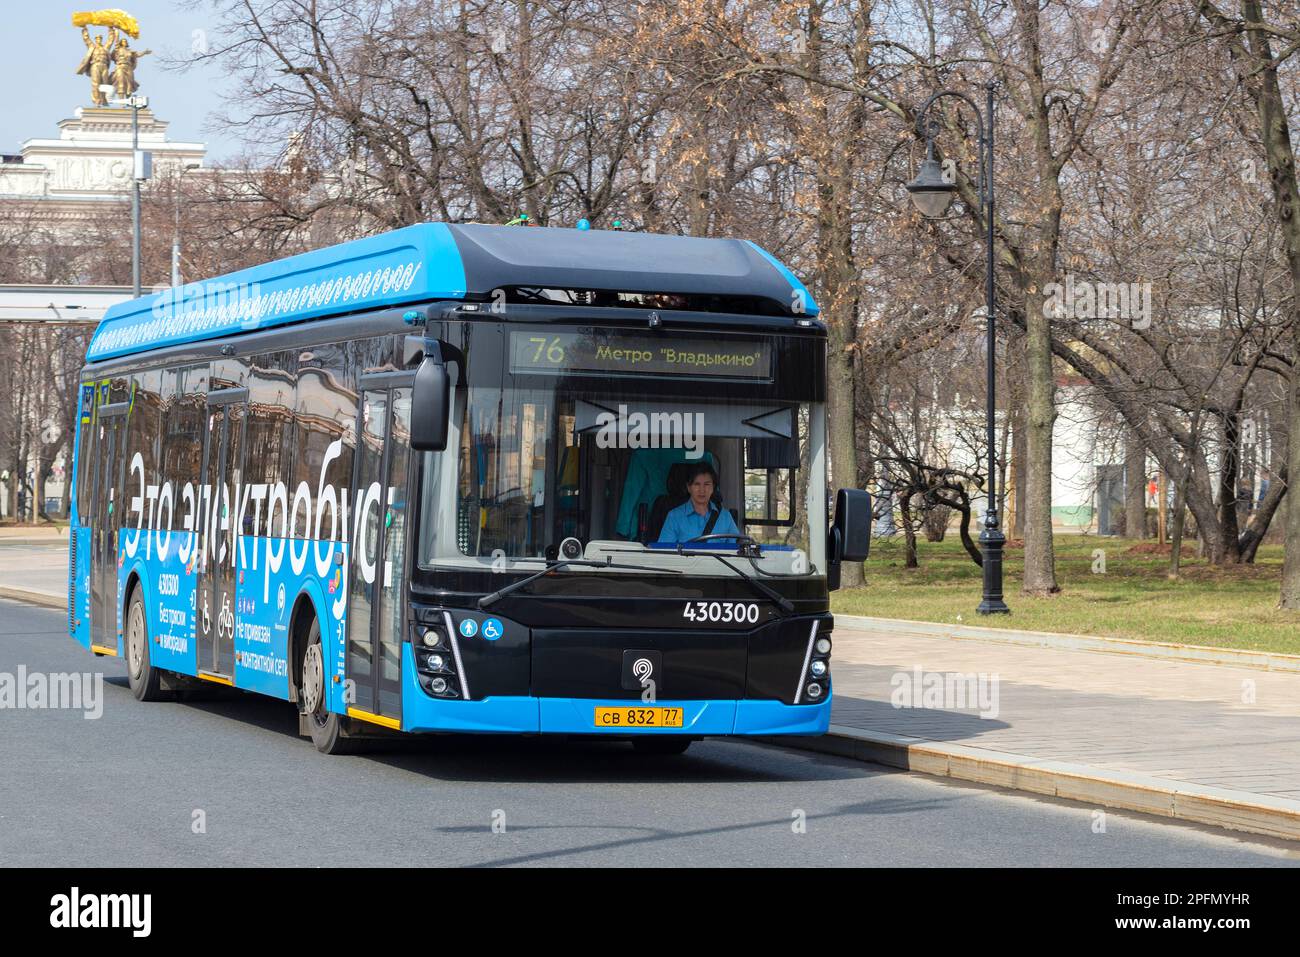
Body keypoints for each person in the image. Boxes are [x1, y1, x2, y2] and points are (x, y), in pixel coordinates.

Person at [657, 462, 740, 543]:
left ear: (713, 487)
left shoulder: (725, 517)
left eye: (707, 484)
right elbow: (665, 553)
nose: (702, 490)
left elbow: (737, 551)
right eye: (697, 484)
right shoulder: (674, 517)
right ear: (689, 487)